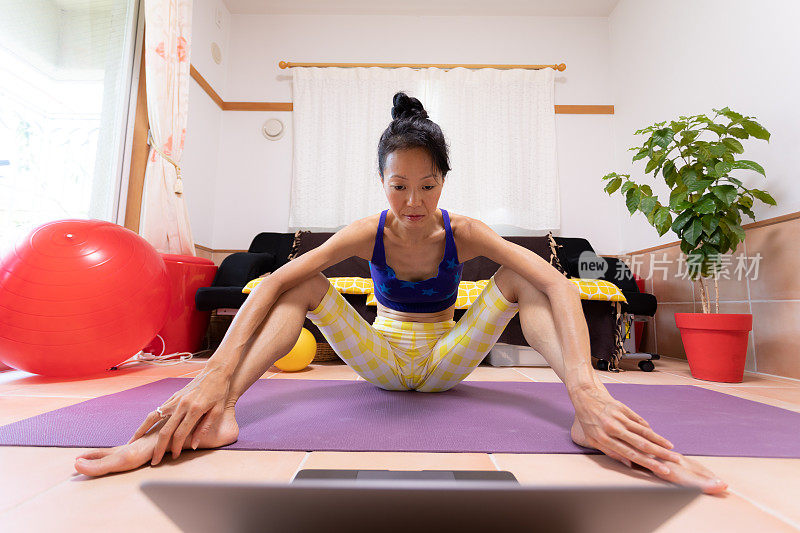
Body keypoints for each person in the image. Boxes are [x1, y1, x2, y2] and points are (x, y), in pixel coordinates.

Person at [74, 92, 727, 495]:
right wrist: (212, 378)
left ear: (444, 181)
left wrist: (589, 389)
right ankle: (219, 414)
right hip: (380, 358)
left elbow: (554, 281)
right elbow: (273, 281)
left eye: (427, 186)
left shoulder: (464, 232)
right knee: (299, 277)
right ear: (381, 182)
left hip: (449, 357)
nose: (413, 202)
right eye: (398, 186)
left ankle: (589, 417)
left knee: (525, 274)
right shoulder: (368, 231)